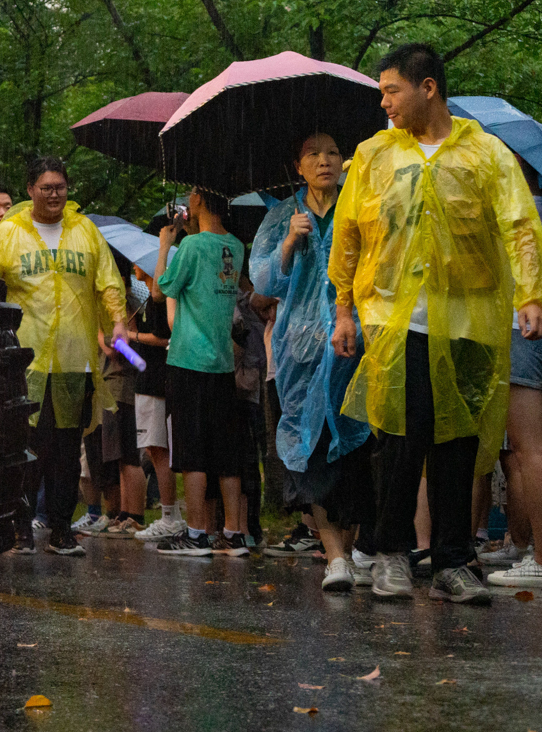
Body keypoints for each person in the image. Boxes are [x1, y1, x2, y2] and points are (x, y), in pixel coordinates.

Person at [331, 43, 542, 605]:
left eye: (391, 90)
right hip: (394, 320)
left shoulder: (486, 154)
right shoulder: (375, 156)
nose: (384, 102)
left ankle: (453, 559)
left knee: (458, 444)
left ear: (428, 88)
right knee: (402, 438)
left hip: (468, 319)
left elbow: (520, 222)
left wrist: (530, 294)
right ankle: (392, 555)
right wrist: (344, 309)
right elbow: (347, 234)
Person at [0, 155, 128, 555]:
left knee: (66, 449)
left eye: (60, 187)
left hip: (74, 359)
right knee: (27, 445)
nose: (53, 195)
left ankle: (62, 528)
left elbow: (108, 281)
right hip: (26, 361)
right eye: (45, 188)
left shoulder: (85, 231)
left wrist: (117, 320)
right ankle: (20, 527)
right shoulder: (10, 232)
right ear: (30, 190)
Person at [251, 132, 376, 591]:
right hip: (301, 351)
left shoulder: (358, 206)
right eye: (312, 154)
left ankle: (350, 546)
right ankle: (335, 554)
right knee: (312, 451)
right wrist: (288, 242)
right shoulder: (283, 214)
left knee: (355, 450)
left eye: (332, 153)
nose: (324, 161)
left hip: (354, 346)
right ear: (298, 165)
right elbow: (263, 279)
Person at [151, 188, 250, 557]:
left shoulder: (192, 248)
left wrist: (165, 245)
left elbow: (162, 291)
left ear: (198, 201)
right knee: (226, 450)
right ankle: (234, 532)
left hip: (189, 359)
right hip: (222, 361)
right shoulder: (236, 247)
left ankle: (196, 534)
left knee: (191, 449)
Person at [489, 167, 542, 587]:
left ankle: (538, 557)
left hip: (518, 328)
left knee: (526, 450)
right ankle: (527, 547)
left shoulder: (517, 217)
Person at [127, 261, 183, 542]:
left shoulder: (160, 297)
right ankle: (170, 515)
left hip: (156, 381)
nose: (134, 265)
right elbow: (136, 355)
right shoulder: (148, 298)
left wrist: (132, 335)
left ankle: (170, 516)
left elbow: (164, 337)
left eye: (139, 262)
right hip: (147, 378)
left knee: (159, 449)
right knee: (153, 448)